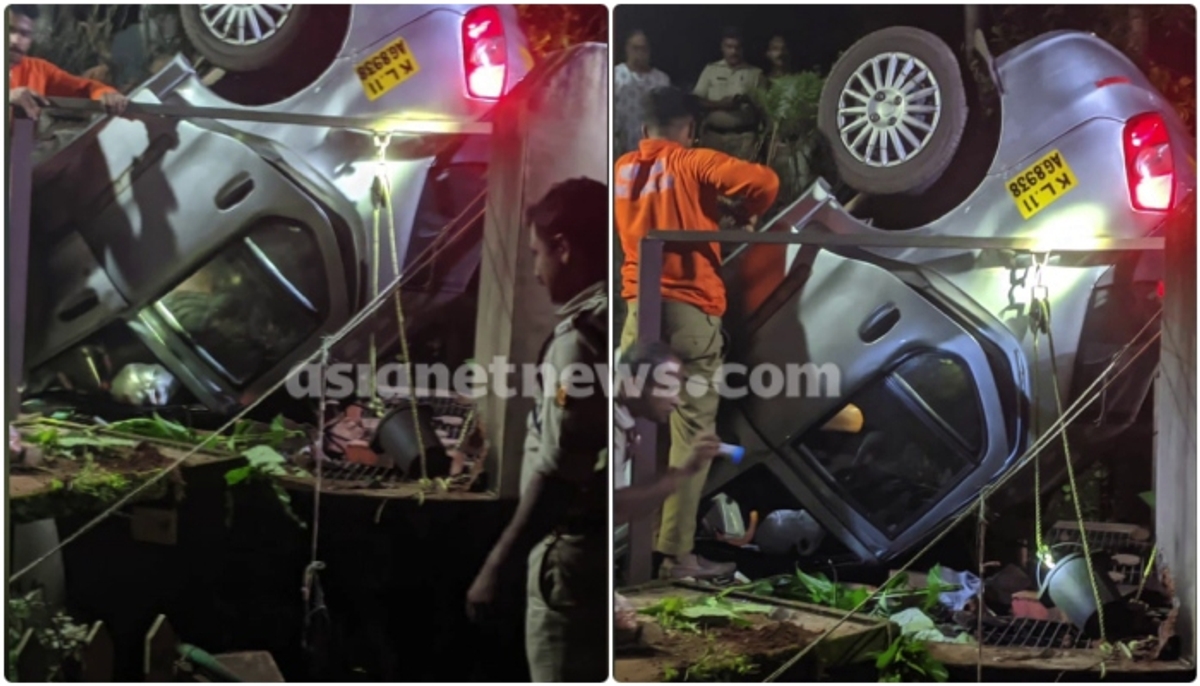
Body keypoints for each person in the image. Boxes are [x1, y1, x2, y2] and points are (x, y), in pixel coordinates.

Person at [615, 86, 779, 581]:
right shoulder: (692, 161)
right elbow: (764, 182)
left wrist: (711, 213)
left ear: (643, 130)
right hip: (690, 312)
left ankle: (613, 542)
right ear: (687, 129)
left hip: (637, 311)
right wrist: (743, 214)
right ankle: (675, 555)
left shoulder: (623, 170)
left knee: (626, 429)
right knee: (692, 436)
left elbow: (662, 211)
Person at [466, 177, 608, 682]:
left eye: (536, 254)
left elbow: (558, 472)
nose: (535, 271)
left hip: (567, 555)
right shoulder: (624, 318)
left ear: (565, 248)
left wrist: (497, 565)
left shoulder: (580, 342)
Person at [612, 340, 721, 639]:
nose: (677, 400)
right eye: (669, 386)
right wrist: (685, 471)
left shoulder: (620, 417)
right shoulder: (604, 423)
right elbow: (616, 507)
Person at [8, 5, 129, 121]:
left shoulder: (38, 70)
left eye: (24, 34)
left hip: (22, 139)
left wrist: (108, 94)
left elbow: (86, 89)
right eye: (9, 30)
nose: (15, 40)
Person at [692, 27, 762, 160]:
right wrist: (721, 104)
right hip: (714, 138)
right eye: (729, 47)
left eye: (737, 47)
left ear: (743, 49)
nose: (733, 52)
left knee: (741, 178)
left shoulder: (755, 74)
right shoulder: (711, 70)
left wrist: (746, 102)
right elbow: (696, 101)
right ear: (722, 48)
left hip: (744, 139)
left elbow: (763, 109)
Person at [614, 29, 671, 157]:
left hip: (654, 152)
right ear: (627, 49)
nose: (639, 53)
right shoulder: (614, 76)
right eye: (635, 48)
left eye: (643, 49)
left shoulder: (661, 80)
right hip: (620, 150)